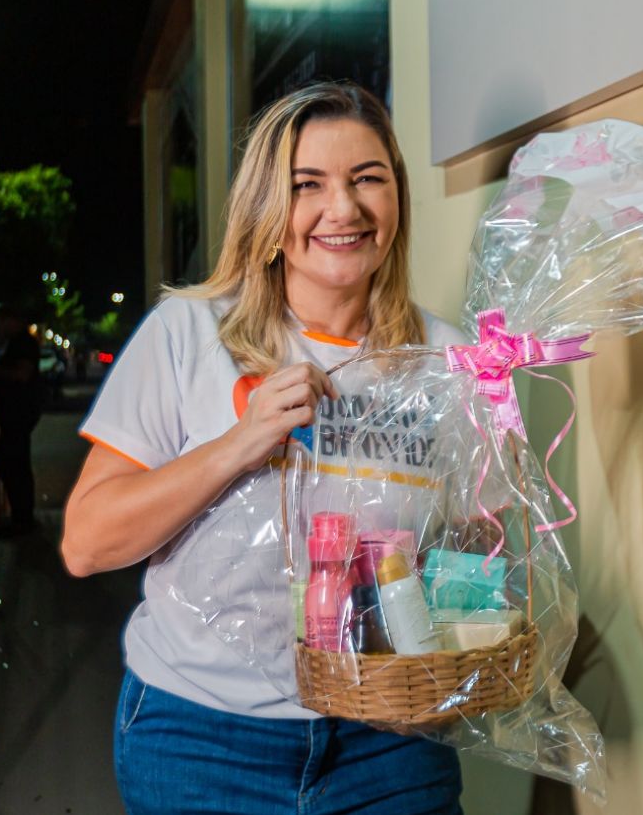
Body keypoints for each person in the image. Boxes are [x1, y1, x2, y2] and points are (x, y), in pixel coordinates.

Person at [63, 83, 466, 814]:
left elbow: (477, 544)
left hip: (393, 739)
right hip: (202, 740)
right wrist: (239, 445)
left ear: (398, 197)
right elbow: (86, 544)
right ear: (266, 208)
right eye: (307, 184)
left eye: (367, 178)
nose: (342, 208)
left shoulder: (446, 360)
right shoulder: (190, 333)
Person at [0, 306, 42, 535]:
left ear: (9, 320)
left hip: (18, 413)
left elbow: (22, 374)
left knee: (12, 464)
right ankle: (21, 517)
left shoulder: (23, 343)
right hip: (16, 413)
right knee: (14, 463)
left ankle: (22, 519)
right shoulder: (17, 342)